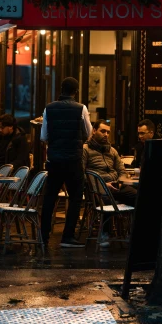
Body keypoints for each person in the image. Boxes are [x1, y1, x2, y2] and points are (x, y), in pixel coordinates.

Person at [40, 77, 92, 248]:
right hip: (73, 160)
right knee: (76, 197)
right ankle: (67, 236)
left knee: (49, 198)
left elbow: (44, 136)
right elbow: (88, 132)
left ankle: (43, 236)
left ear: (61, 89)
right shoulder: (81, 108)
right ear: (75, 91)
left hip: (54, 160)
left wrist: (54, 146)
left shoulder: (49, 108)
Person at [83, 120, 137, 207]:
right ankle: (113, 219)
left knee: (139, 196)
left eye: (108, 132)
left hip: (116, 186)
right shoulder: (85, 149)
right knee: (109, 203)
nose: (106, 135)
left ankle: (131, 220)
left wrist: (118, 183)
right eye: (103, 131)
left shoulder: (112, 151)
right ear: (94, 131)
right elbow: (81, 175)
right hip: (98, 190)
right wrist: (103, 185)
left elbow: (122, 171)